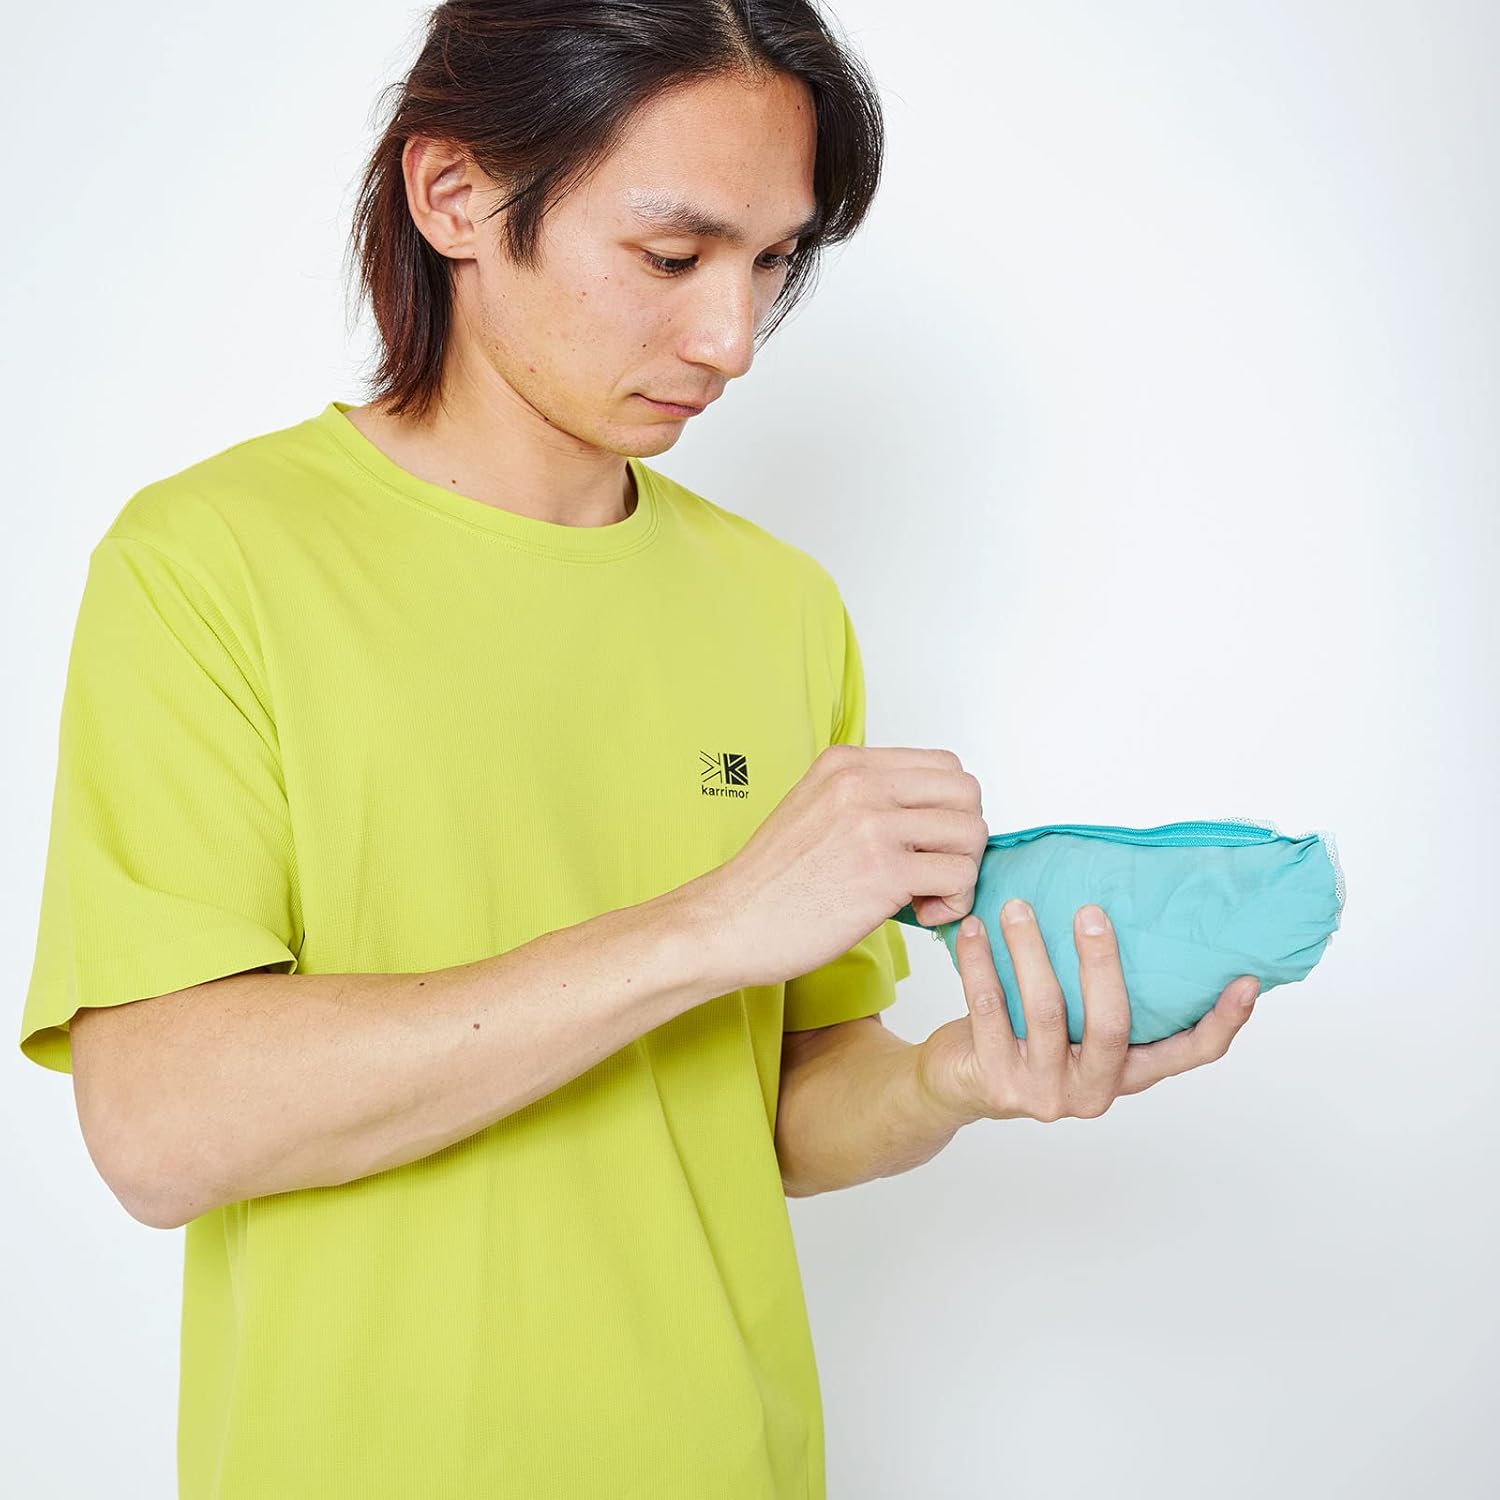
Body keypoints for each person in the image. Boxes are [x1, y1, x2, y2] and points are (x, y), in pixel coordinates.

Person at [18, 3, 1259, 1496]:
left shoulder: (780, 607)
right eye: (674, 256)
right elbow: (162, 1129)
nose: (730, 338)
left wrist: (953, 1079)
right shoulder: (209, 562)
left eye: (775, 261)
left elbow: (774, 1105)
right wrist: (706, 927)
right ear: (453, 195)